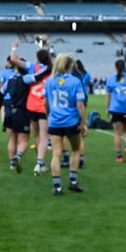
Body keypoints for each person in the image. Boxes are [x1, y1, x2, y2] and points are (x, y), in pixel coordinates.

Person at [43, 54, 87, 196]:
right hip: (71, 122)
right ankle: (73, 182)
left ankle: (57, 187)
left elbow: (46, 103)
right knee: (76, 150)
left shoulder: (49, 81)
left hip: (55, 122)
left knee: (56, 154)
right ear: (70, 65)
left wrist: (49, 116)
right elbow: (80, 104)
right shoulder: (75, 81)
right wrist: (84, 122)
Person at [10, 41, 53, 176]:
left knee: (37, 136)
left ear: (38, 58)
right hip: (43, 107)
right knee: (44, 136)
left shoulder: (33, 67)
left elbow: (13, 59)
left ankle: (41, 163)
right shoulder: (51, 71)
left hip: (31, 106)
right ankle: (39, 163)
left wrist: (14, 47)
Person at [106, 59, 126, 163]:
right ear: (124, 67)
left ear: (115, 67)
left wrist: (107, 107)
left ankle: (119, 156)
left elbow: (108, 95)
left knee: (117, 133)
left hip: (116, 108)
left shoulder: (111, 80)